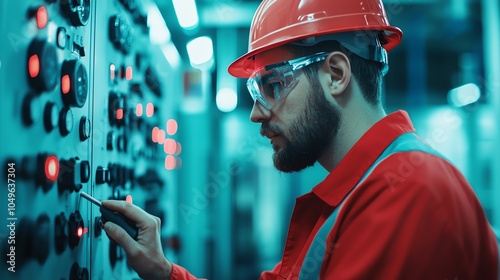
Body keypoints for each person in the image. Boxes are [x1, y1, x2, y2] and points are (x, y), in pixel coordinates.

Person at [102, 0, 499, 279]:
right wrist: (165, 273)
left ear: (336, 74)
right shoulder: (353, 196)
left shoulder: (404, 193)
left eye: (273, 85)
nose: (257, 112)